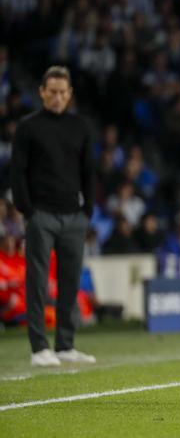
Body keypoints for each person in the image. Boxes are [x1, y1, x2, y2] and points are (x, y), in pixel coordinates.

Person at [10, 66, 97, 367]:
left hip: (74, 216)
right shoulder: (28, 127)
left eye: (63, 92)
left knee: (70, 282)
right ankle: (39, 348)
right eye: (53, 92)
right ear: (42, 92)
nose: (58, 97)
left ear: (70, 94)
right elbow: (17, 172)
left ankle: (65, 345)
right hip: (42, 215)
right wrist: (28, 211)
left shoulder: (81, 126)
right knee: (36, 281)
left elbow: (89, 172)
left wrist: (88, 210)